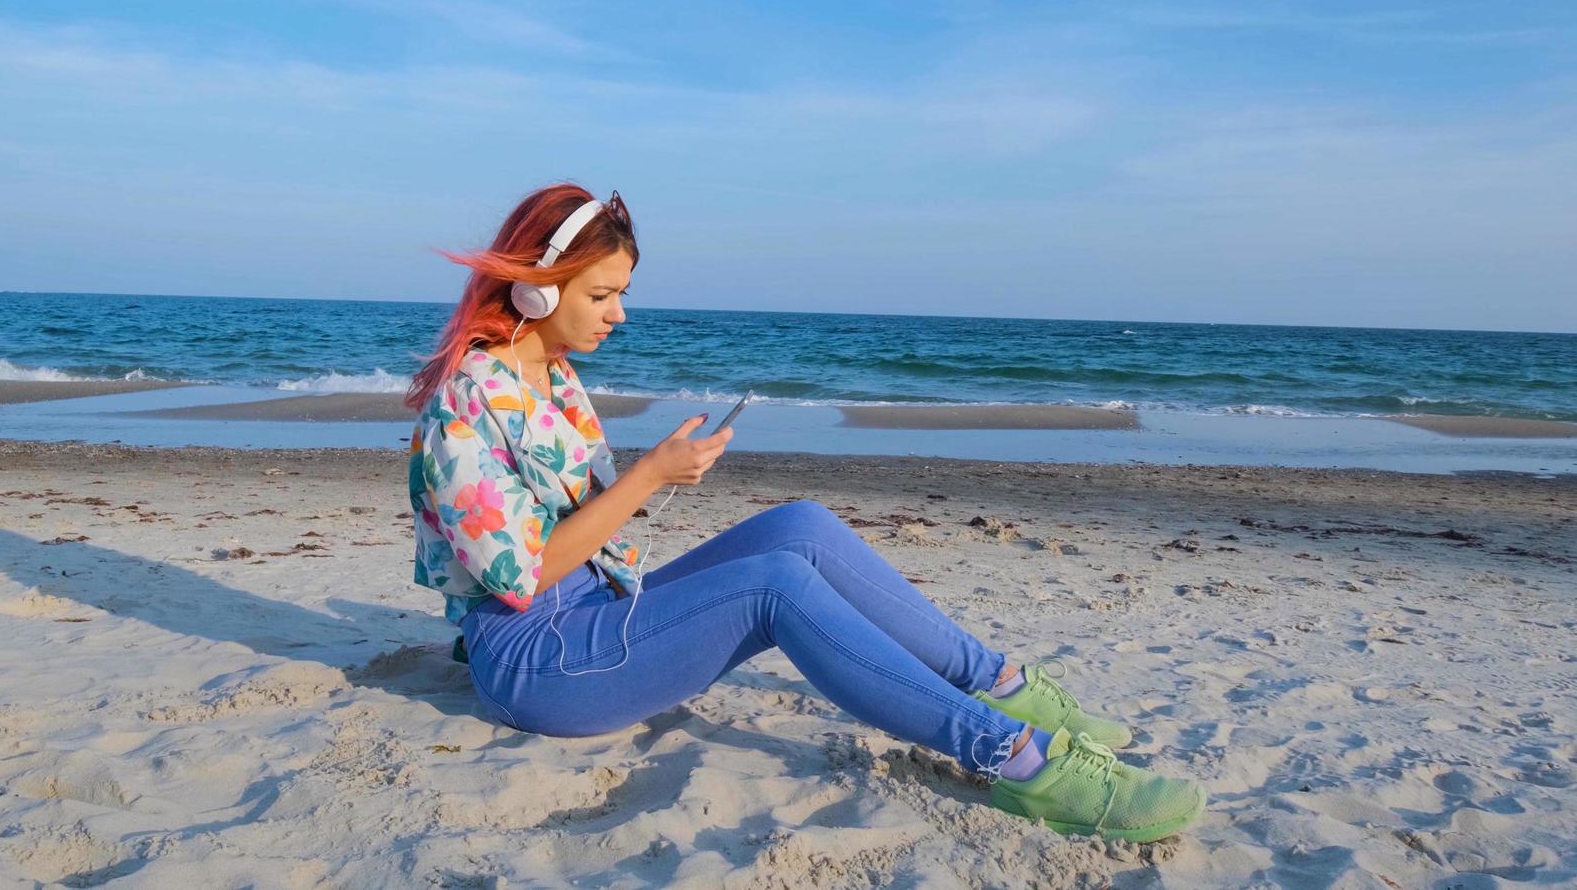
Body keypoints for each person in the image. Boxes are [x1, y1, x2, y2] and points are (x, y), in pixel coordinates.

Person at [404, 183, 1206, 843]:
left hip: (597, 611)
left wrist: (658, 476)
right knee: (774, 587)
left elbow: (585, 529)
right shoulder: (466, 402)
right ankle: (1027, 765)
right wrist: (648, 475)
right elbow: (522, 576)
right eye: (603, 294)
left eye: (623, 293)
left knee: (800, 526)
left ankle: (1005, 687)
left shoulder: (555, 379)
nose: (620, 314)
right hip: (538, 662)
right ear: (538, 286)